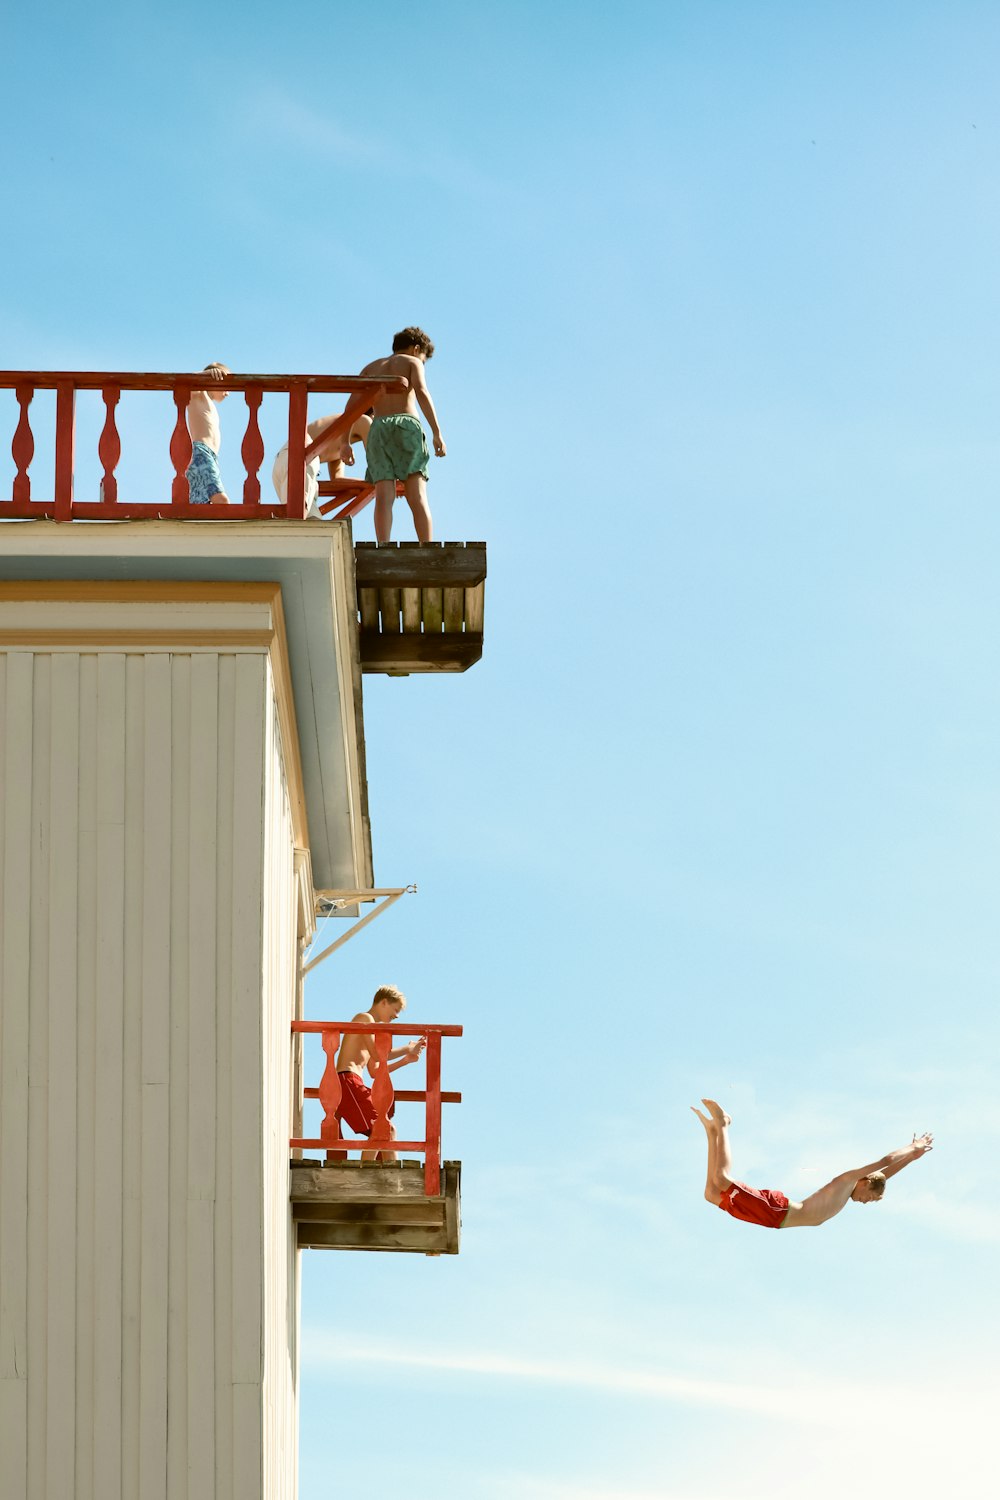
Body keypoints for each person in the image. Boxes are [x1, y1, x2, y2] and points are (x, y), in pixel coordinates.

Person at [692, 1098, 933, 1229]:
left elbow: (886, 1174)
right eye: (869, 1197)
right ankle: (722, 1124)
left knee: (712, 1193)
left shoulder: (854, 1188)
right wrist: (914, 1146)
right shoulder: (848, 1180)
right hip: (778, 1211)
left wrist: (911, 1159)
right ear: (865, 1182)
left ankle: (712, 1133)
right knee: (722, 1179)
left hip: (772, 1220)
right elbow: (886, 1162)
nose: (865, 1202)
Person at [358, 327, 446, 543]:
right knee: (416, 494)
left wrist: (344, 442)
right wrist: (437, 433)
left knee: (384, 497)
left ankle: (384, 545)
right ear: (416, 349)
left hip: (377, 428)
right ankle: (426, 546)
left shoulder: (371, 368)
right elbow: (422, 393)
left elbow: (353, 406)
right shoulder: (412, 362)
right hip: (406, 425)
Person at [334, 984, 425, 1161]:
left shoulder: (372, 1028)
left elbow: (375, 1071)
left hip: (354, 1081)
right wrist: (408, 1048)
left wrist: (405, 1060)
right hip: (347, 1080)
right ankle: (374, 1173)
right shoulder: (364, 1018)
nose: (397, 1015)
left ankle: (391, 1175)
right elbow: (378, 1054)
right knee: (383, 1128)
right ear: (383, 1002)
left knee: (388, 1130)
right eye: (395, 1009)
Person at [272, 410, 371, 517]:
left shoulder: (338, 443)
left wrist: (365, 483)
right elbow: (377, 463)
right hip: (299, 458)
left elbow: (337, 479)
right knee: (297, 519)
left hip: (286, 463)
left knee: (312, 525)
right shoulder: (364, 420)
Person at [185, 362, 231, 504]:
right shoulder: (199, 394)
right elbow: (186, 381)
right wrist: (206, 375)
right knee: (221, 501)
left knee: (201, 505)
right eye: (227, 386)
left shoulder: (208, 403)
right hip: (201, 453)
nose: (227, 393)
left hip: (209, 456)